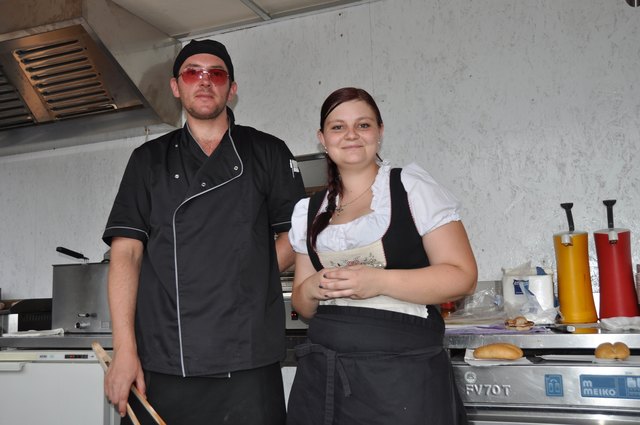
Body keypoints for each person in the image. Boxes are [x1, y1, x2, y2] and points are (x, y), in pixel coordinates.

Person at [102, 39, 305, 425]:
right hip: (165, 354)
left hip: (247, 357)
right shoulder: (147, 160)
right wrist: (124, 349)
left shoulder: (268, 151)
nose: (205, 80)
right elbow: (126, 253)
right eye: (192, 72)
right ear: (176, 86)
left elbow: (298, 236)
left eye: (217, 73)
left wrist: (243, 275)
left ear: (232, 88)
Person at [286, 87, 478, 425]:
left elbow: (462, 276)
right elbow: (302, 305)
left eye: (363, 125)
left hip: (403, 378)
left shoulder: (411, 188)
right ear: (322, 138)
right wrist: (313, 287)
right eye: (337, 127)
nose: (351, 135)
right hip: (325, 381)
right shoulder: (309, 210)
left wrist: (377, 281)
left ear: (380, 132)